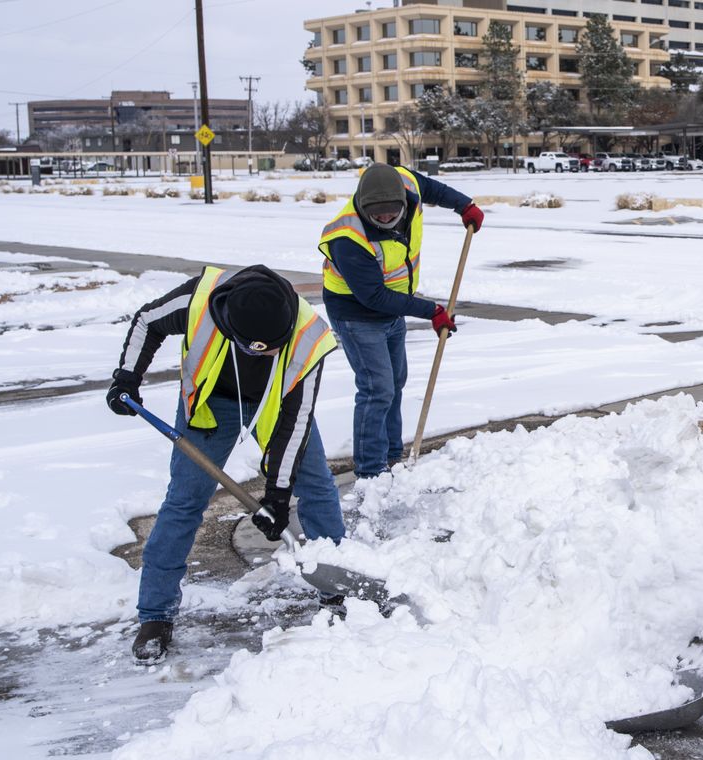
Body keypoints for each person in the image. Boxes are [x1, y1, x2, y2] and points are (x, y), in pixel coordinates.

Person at [107, 265, 345, 662]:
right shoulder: (200, 300)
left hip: (278, 404)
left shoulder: (308, 336)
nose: (265, 353)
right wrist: (127, 377)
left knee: (317, 489)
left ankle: (338, 591)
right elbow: (147, 320)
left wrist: (278, 496)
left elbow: (296, 422)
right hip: (209, 406)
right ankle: (155, 615)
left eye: (271, 347)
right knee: (184, 501)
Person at [318, 163, 484, 479]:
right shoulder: (348, 238)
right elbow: (374, 297)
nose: (383, 218)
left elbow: (432, 188)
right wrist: (432, 312)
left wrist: (464, 205)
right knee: (376, 388)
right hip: (356, 316)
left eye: (390, 211)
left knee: (394, 384)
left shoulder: (407, 184)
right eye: (375, 213)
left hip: (394, 308)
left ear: (403, 200)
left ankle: (392, 456)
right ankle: (370, 470)